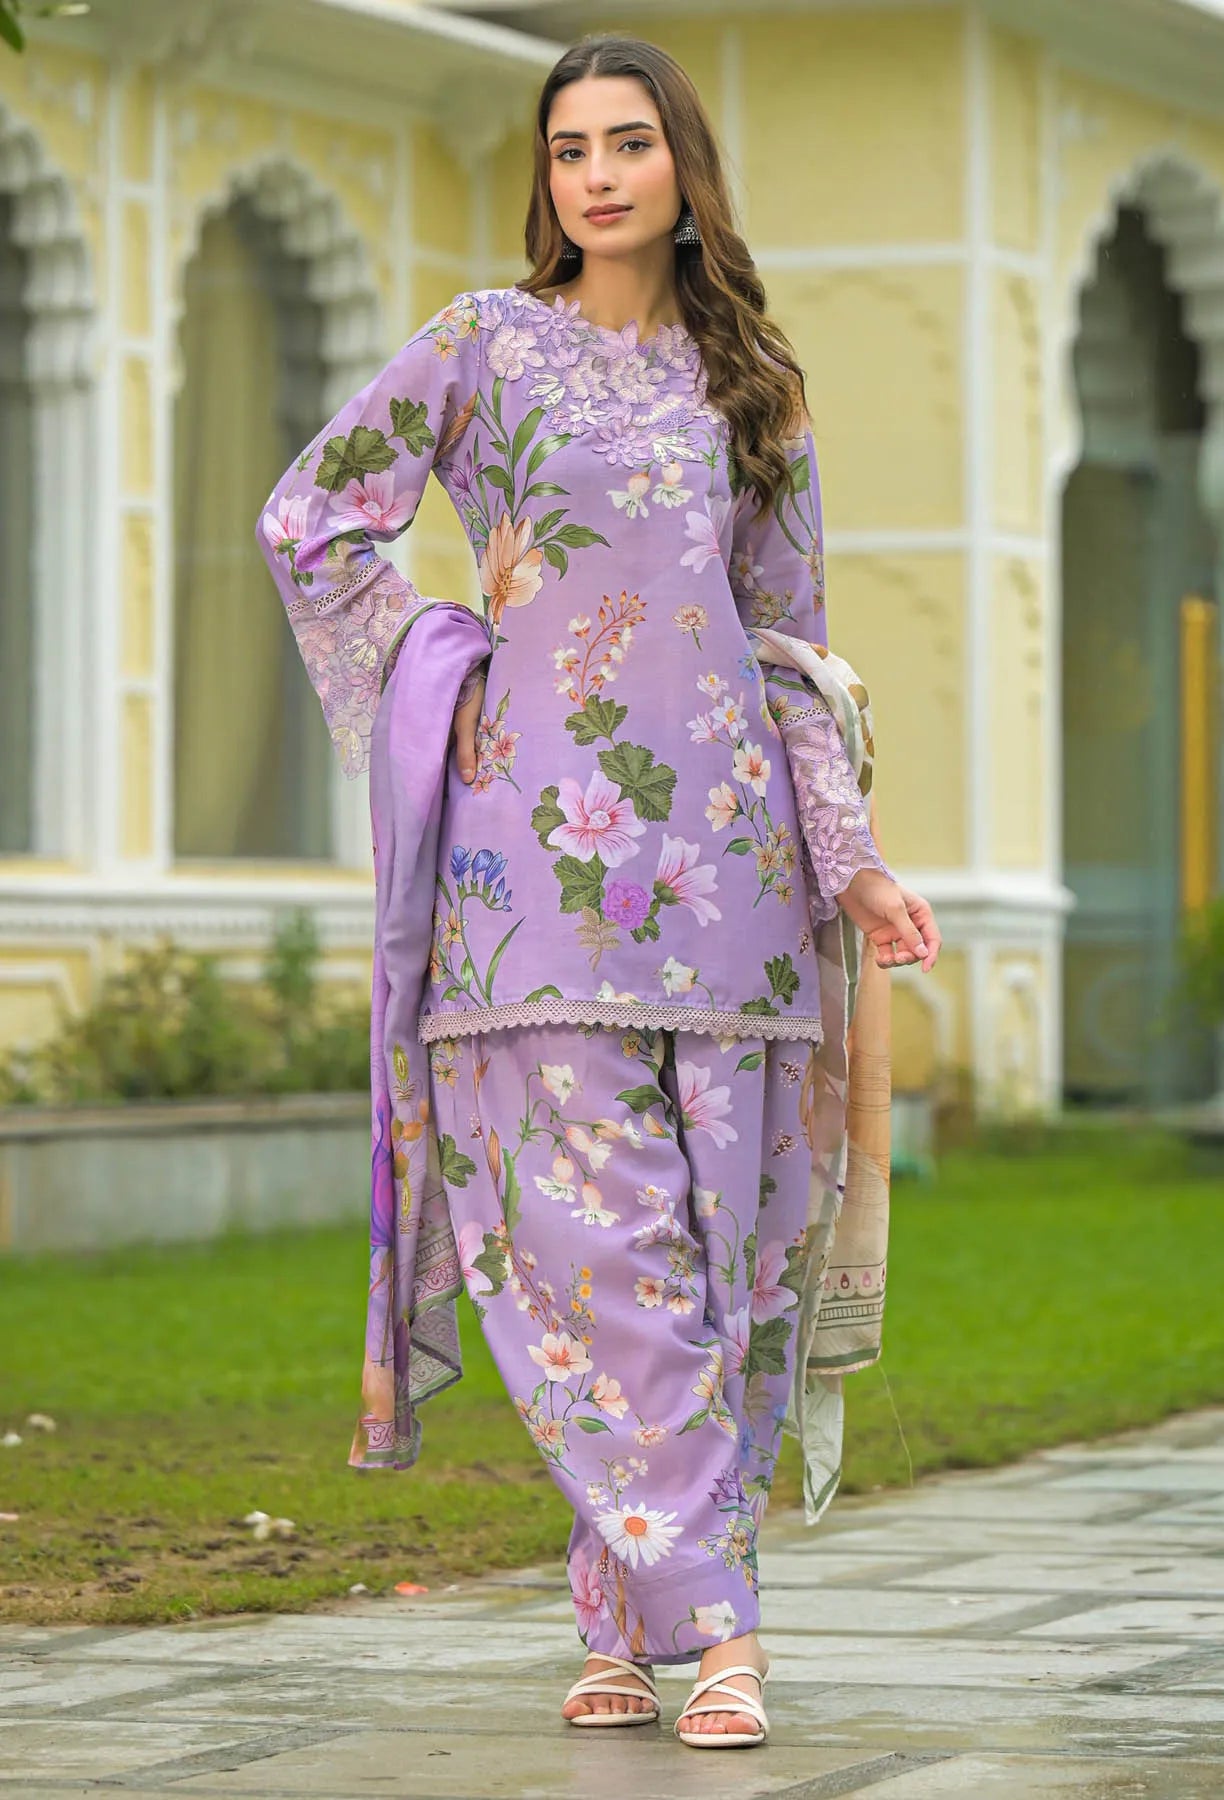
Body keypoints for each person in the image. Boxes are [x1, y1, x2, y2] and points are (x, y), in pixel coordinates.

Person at [257, 31, 940, 1751]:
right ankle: (724, 1632)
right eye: (569, 150)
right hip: (529, 881)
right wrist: (441, 663)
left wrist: (852, 859)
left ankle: (622, 1619)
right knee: (594, 1262)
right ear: (546, 176)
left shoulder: (752, 386)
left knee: (714, 1265)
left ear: (681, 164)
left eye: (628, 143)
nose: (598, 176)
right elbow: (311, 519)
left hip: (735, 886)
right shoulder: (483, 346)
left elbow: (793, 651)